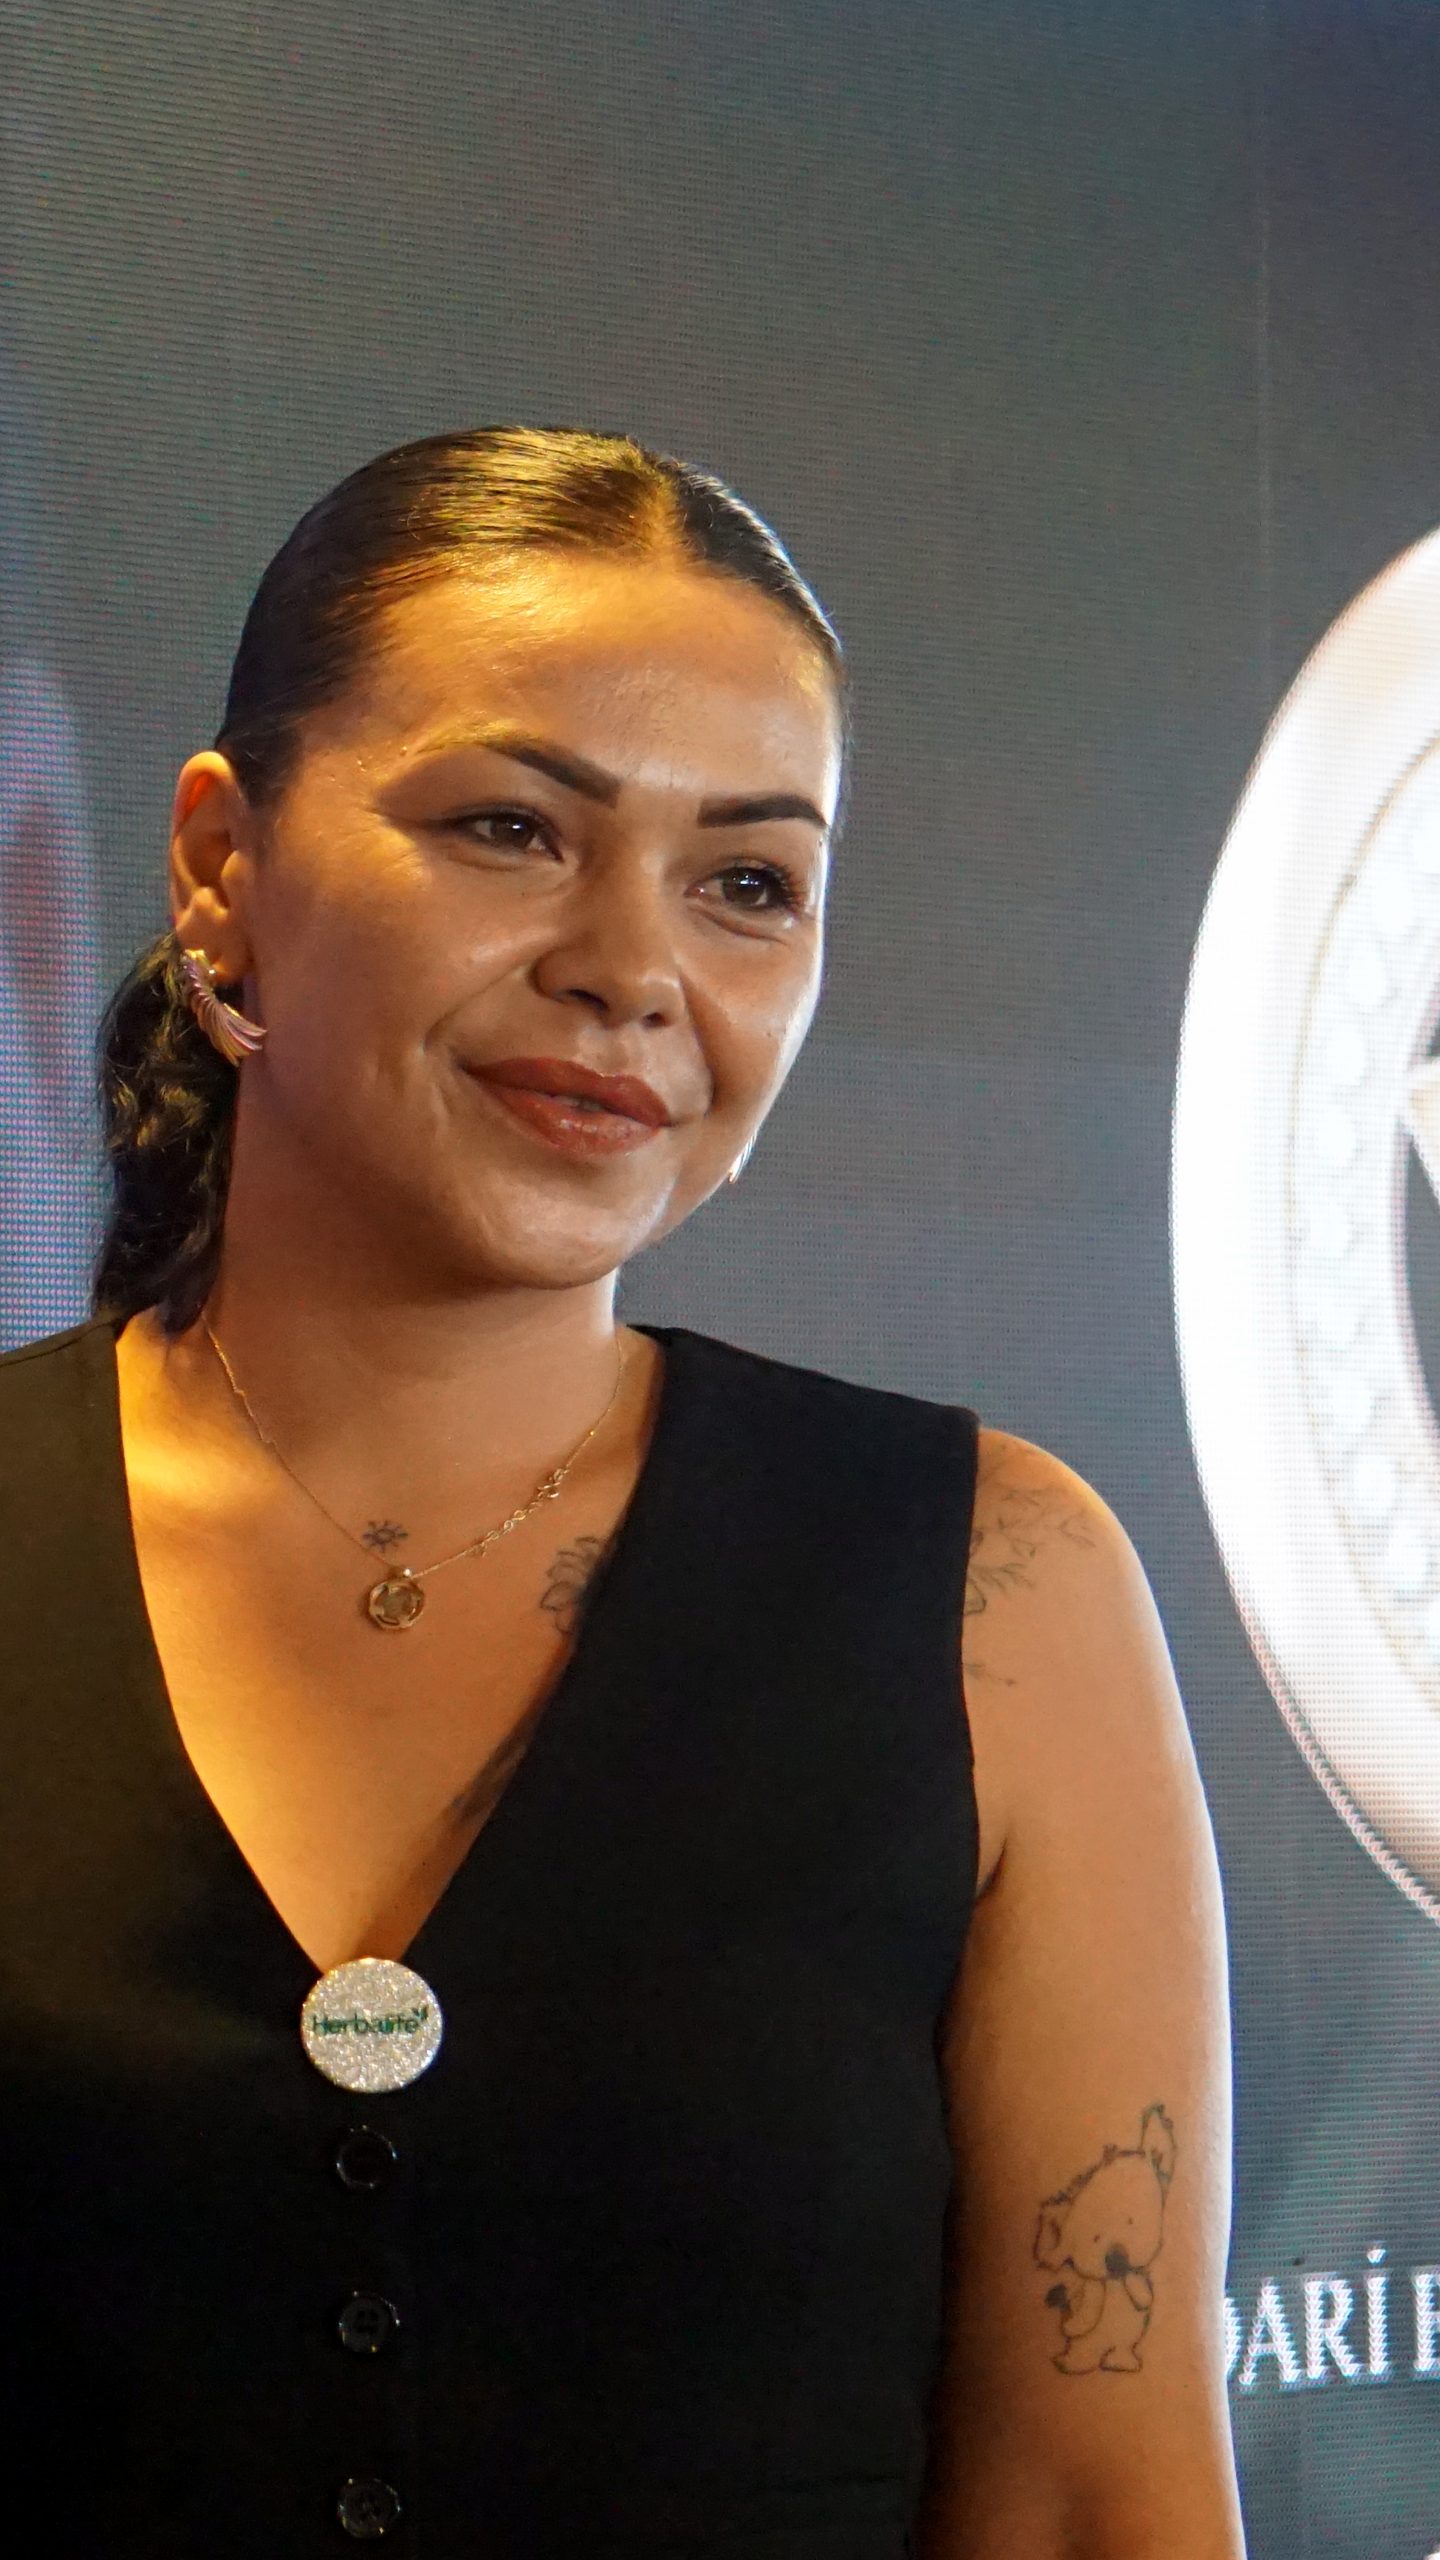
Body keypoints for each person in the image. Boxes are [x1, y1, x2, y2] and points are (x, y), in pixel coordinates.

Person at [0, 425, 1246, 2558]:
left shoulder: (994, 1587)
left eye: (747, 882)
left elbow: (1091, 2501)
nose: (631, 963)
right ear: (218, 865)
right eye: (510, 828)